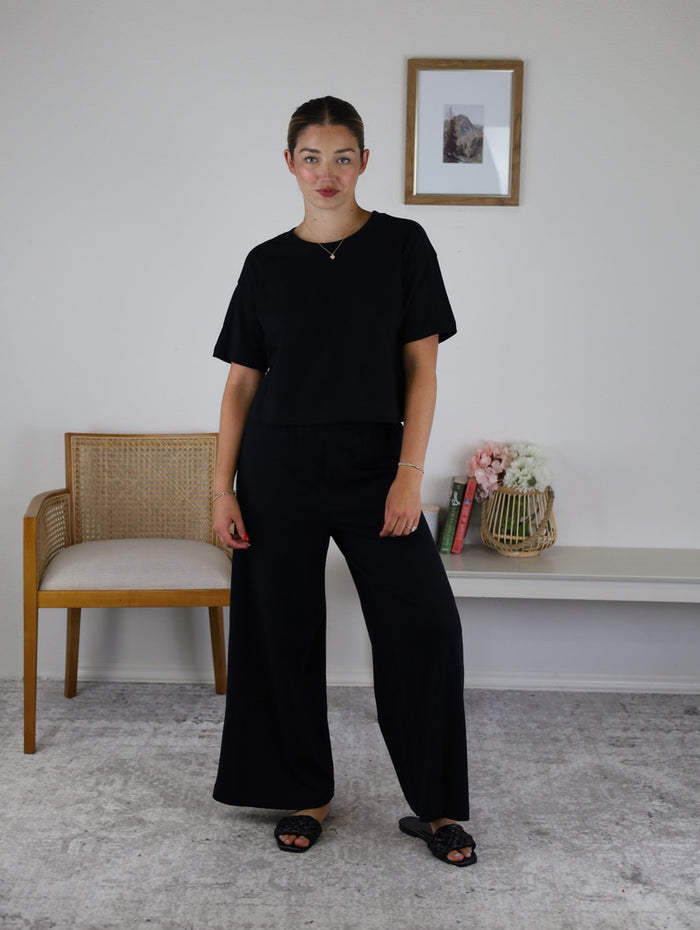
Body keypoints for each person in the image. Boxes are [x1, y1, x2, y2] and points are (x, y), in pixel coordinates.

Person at [211, 96, 476, 867]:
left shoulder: (403, 245)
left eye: (341, 157)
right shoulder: (265, 263)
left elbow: (422, 370)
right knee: (279, 632)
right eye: (311, 157)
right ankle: (304, 791)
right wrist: (222, 487)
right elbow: (240, 384)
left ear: (363, 162)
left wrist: (408, 475)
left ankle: (438, 806)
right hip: (276, 470)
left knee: (426, 627)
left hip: (375, 471)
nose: (326, 172)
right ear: (289, 163)